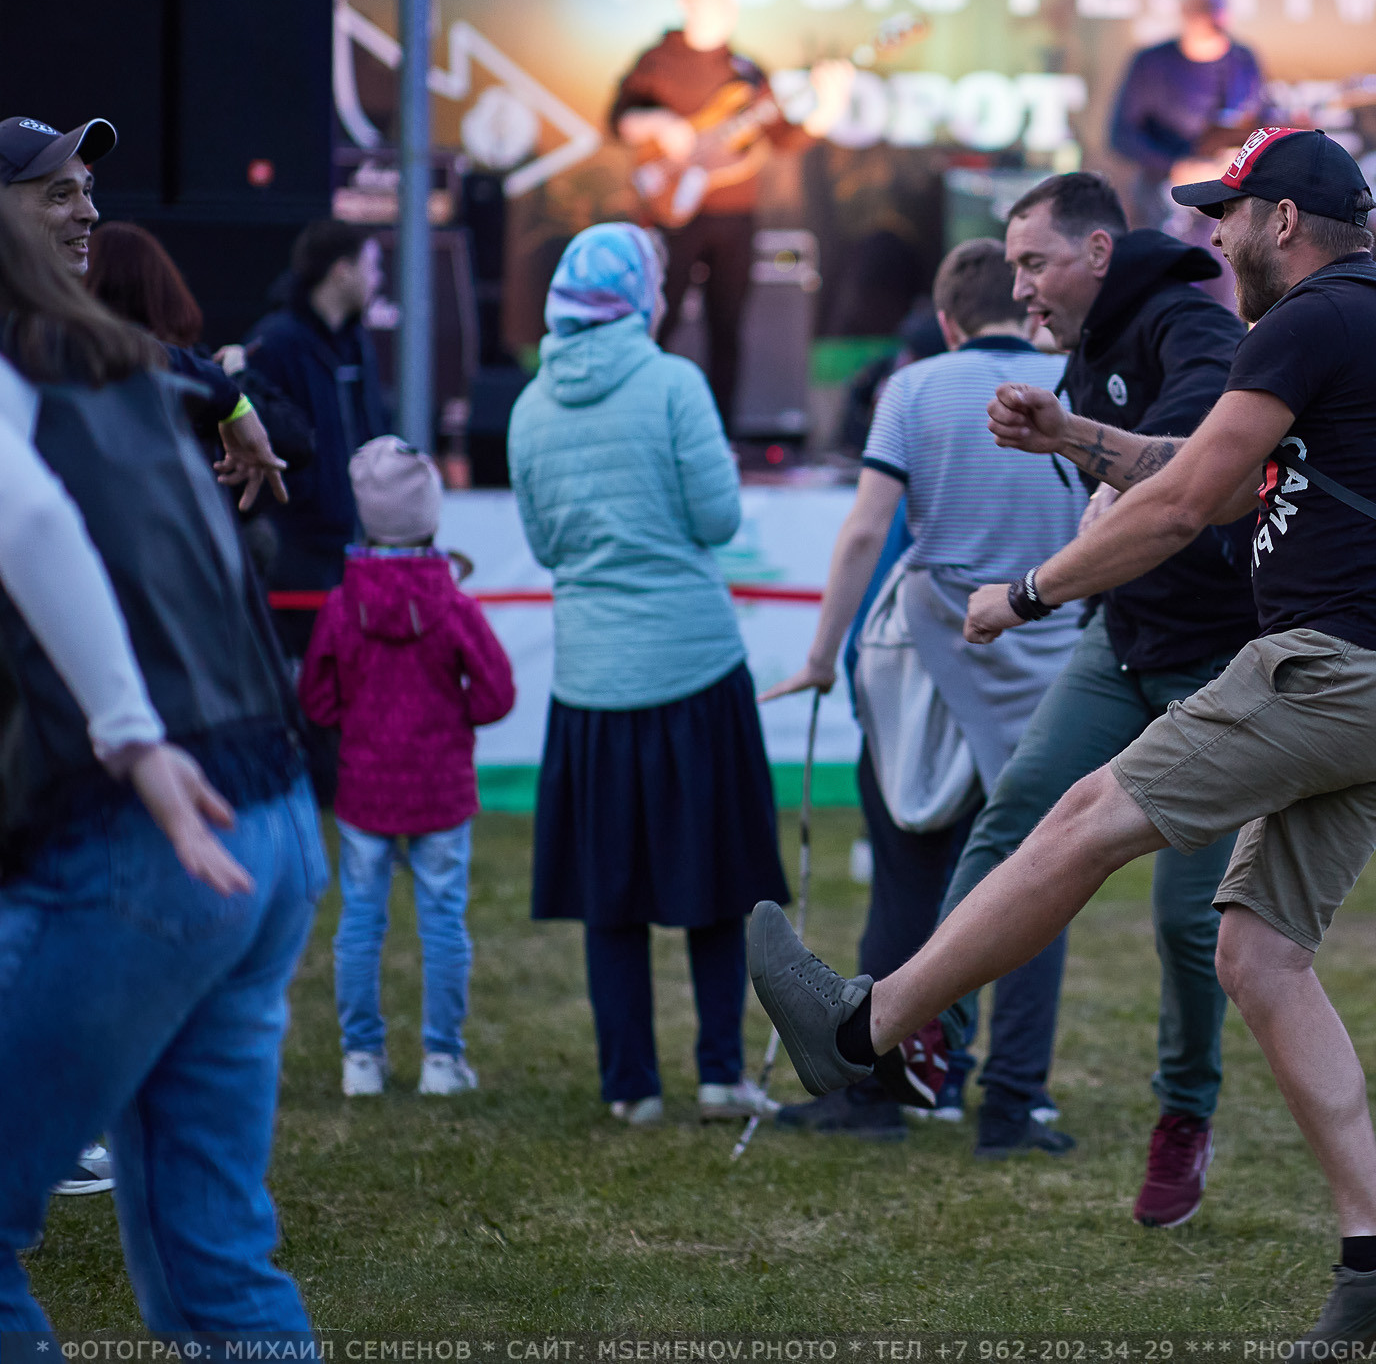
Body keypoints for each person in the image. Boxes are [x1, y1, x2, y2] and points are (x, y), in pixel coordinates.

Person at [746, 129, 1376, 1343]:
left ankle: (860, 1028)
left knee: (1079, 816)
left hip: (1329, 665)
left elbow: (1182, 507)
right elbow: (1223, 475)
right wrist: (1078, 437)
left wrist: (1024, 591)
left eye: (1227, 213)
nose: (1211, 236)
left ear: (1282, 221)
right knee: (1258, 954)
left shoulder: (1297, 319)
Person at [0, 118, 324, 1331]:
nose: (85, 211)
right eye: (55, 193)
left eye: (88, 190)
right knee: (216, 1259)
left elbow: (28, 521)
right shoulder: (129, 365)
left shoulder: (70, 364)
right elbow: (209, 382)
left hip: (153, 833)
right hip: (270, 823)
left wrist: (131, 737)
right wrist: (233, 396)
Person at [925, 171, 1259, 1217]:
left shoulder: (1187, 330)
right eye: (1013, 265)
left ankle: (1183, 1114)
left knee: (1183, 917)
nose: (1019, 285)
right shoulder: (1090, 344)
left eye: (1034, 261)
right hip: (1122, 642)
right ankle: (925, 1025)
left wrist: (1069, 446)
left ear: (1099, 251)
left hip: (1213, 664)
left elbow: (1197, 482)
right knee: (1016, 808)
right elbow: (1120, 499)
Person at [758, 238, 1088, 1150]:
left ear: (947, 319)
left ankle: (883, 1090)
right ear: (1026, 305)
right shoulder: (1080, 380)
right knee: (1040, 883)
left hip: (930, 663)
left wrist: (823, 652)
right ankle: (1015, 1103)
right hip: (1052, 654)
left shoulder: (914, 386)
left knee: (907, 878)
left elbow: (867, 527)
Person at [508, 222, 788, 1127]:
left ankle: (629, 1086)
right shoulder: (674, 383)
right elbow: (714, 517)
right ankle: (719, 1072)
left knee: (610, 895)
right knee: (716, 880)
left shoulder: (528, 406)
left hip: (589, 679)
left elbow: (546, 544)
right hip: (693, 664)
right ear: (638, 294)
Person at [299, 437, 516, 1100]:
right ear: (430, 516)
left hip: (365, 787)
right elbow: (496, 692)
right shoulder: (453, 604)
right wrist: (453, 718)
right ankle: (442, 1060)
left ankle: (361, 1057)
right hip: (441, 788)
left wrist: (358, 725)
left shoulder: (340, 606)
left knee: (359, 922)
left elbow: (316, 698)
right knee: (442, 921)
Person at [611, 0, 845, 424]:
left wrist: (830, 105)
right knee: (658, 320)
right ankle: (638, 425)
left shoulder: (746, 70)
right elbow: (619, 120)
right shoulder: (655, 61)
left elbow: (783, 137)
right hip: (671, 214)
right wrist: (662, 123)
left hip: (735, 214)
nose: (725, 4)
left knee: (728, 328)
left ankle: (718, 436)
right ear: (686, 0)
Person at [84, 219, 295, 514]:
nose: (87, 211)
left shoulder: (68, 362)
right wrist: (236, 383)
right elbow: (294, 442)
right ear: (162, 287)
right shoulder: (198, 377)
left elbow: (292, 442)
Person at [245, 220, 389, 651]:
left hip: (351, 544)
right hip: (297, 549)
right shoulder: (275, 344)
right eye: (372, 265)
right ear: (341, 270)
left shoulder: (356, 343)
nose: (378, 279)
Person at [1109, 0, 1270, 231]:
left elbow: (1260, 122)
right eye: (1201, 8)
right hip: (1165, 204)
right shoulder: (1151, 64)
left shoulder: (1243, 60)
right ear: (1183, 11)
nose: (1210, 17)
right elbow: (1121, 135)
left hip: (1227, 202)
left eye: (1215, 7)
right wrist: (1175, 166)